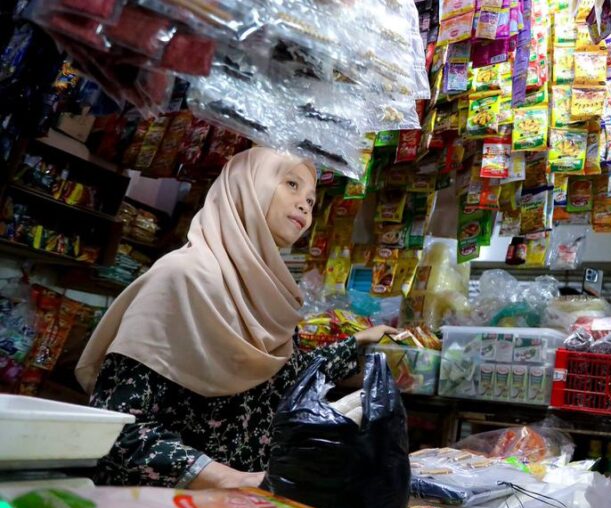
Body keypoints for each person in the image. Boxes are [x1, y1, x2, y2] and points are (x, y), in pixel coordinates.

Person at [76, 148, 393, 490]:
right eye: (291, 184)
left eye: (311, 200)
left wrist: (357, 342)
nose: (305, 205)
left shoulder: (270, 296)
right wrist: (231, 479)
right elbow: (119, 426)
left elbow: (285, 378)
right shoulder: (182, 278)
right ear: (248, 186)